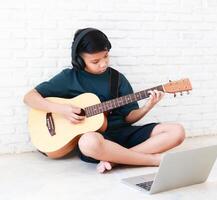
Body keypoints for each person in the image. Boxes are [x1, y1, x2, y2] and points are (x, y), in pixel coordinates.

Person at [23, 28, 185, 173]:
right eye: (95, 61)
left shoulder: (117, 78)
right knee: (88, 143)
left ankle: (115, 160)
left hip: (122, 133)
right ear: (80, 60)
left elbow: (129, 116)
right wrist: (63, 110)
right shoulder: (69, 78)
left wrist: (147, 107)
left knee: (177, 131)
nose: (103, 64)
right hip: (100, 140)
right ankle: (152, 160)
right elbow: (30, 97)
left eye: (106, 57)